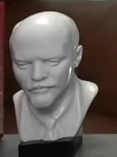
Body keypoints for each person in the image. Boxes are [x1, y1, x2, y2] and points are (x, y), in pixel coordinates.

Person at [10, 11, 98, 143]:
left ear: (77, 57)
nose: (36, 75)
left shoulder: (86, 95)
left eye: (52, 61)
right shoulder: (19, 103)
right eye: (23, 64)